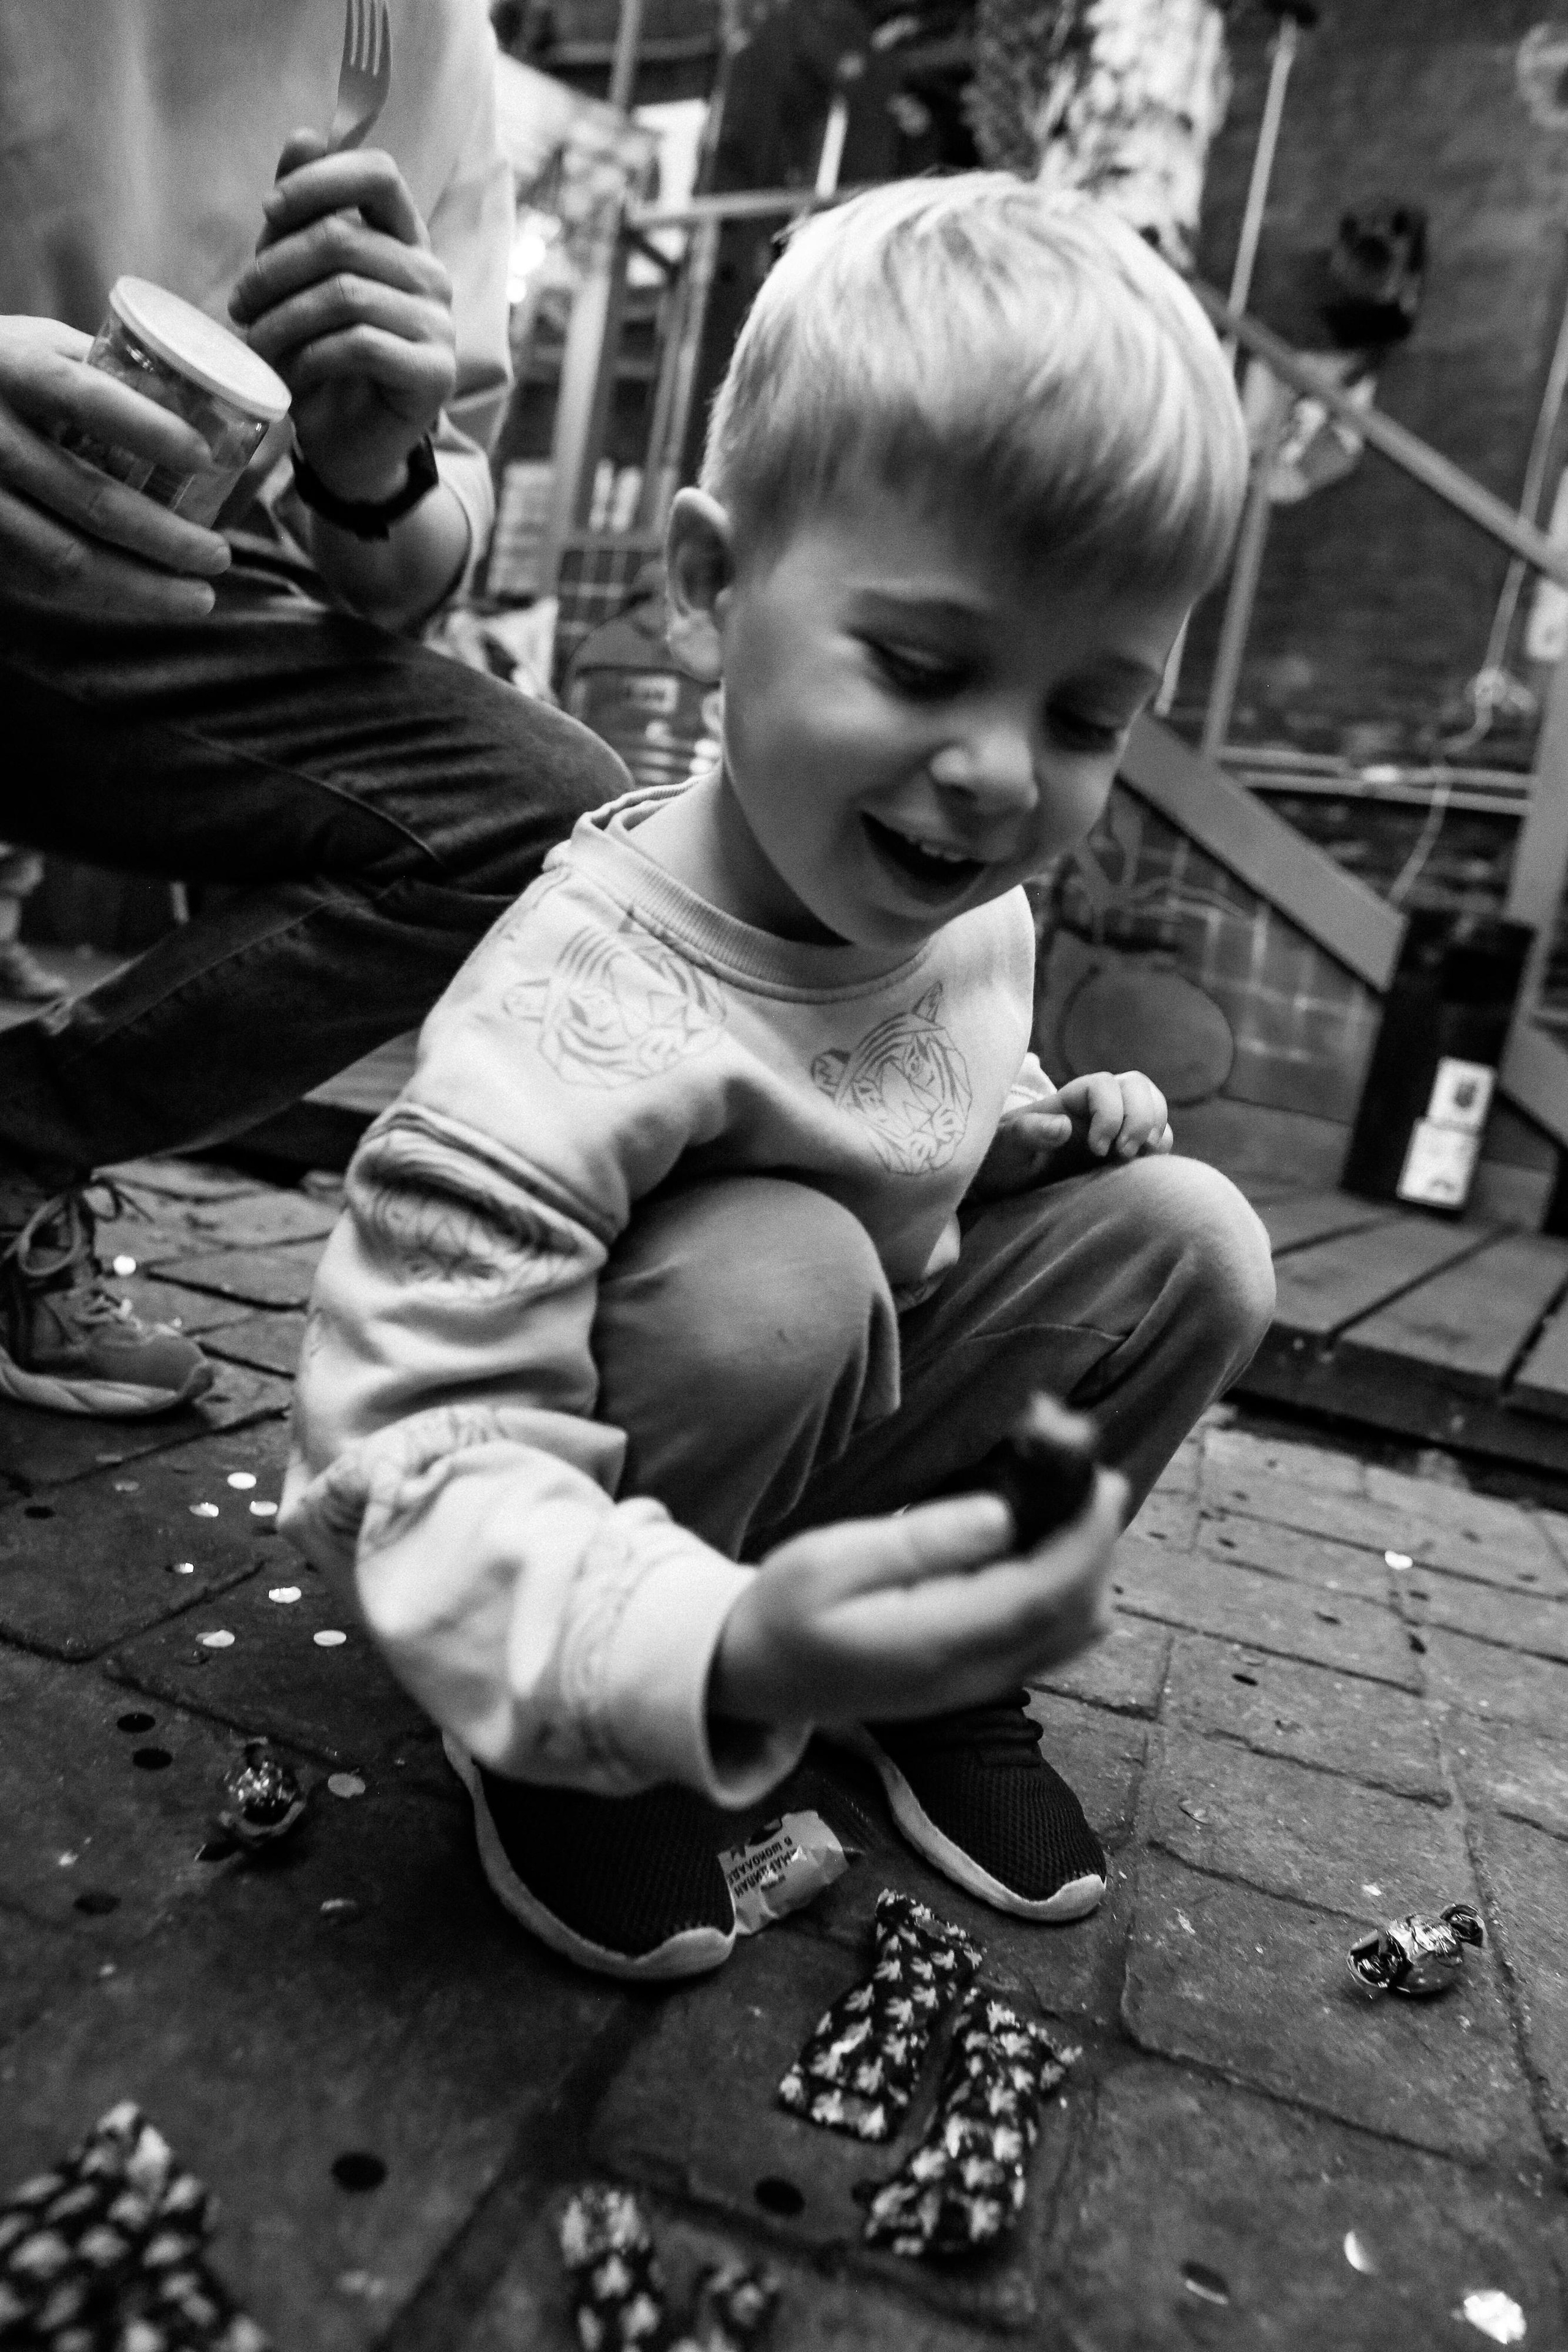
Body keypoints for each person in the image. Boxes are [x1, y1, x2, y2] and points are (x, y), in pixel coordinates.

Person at [281, 177, 1276, 1981]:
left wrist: (1033, 1139)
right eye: (922, 666)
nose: (995, 777)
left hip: (815, 1458)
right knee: (781, 1279)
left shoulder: (959, 895)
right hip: (553, 1541)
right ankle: (574, 1752)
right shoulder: (577, 997)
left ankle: (939, 1662)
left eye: (1085, 718)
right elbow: (402, 1458)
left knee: (1196, 1239)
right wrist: (689, 1658)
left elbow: (906, 1107)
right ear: (708, 587)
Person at [0, 0, 625, 1417]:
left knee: (547, 818)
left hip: (176, 605)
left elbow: (412, 545)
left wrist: (369, 468)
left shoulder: (422, 36)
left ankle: (15, 1144)